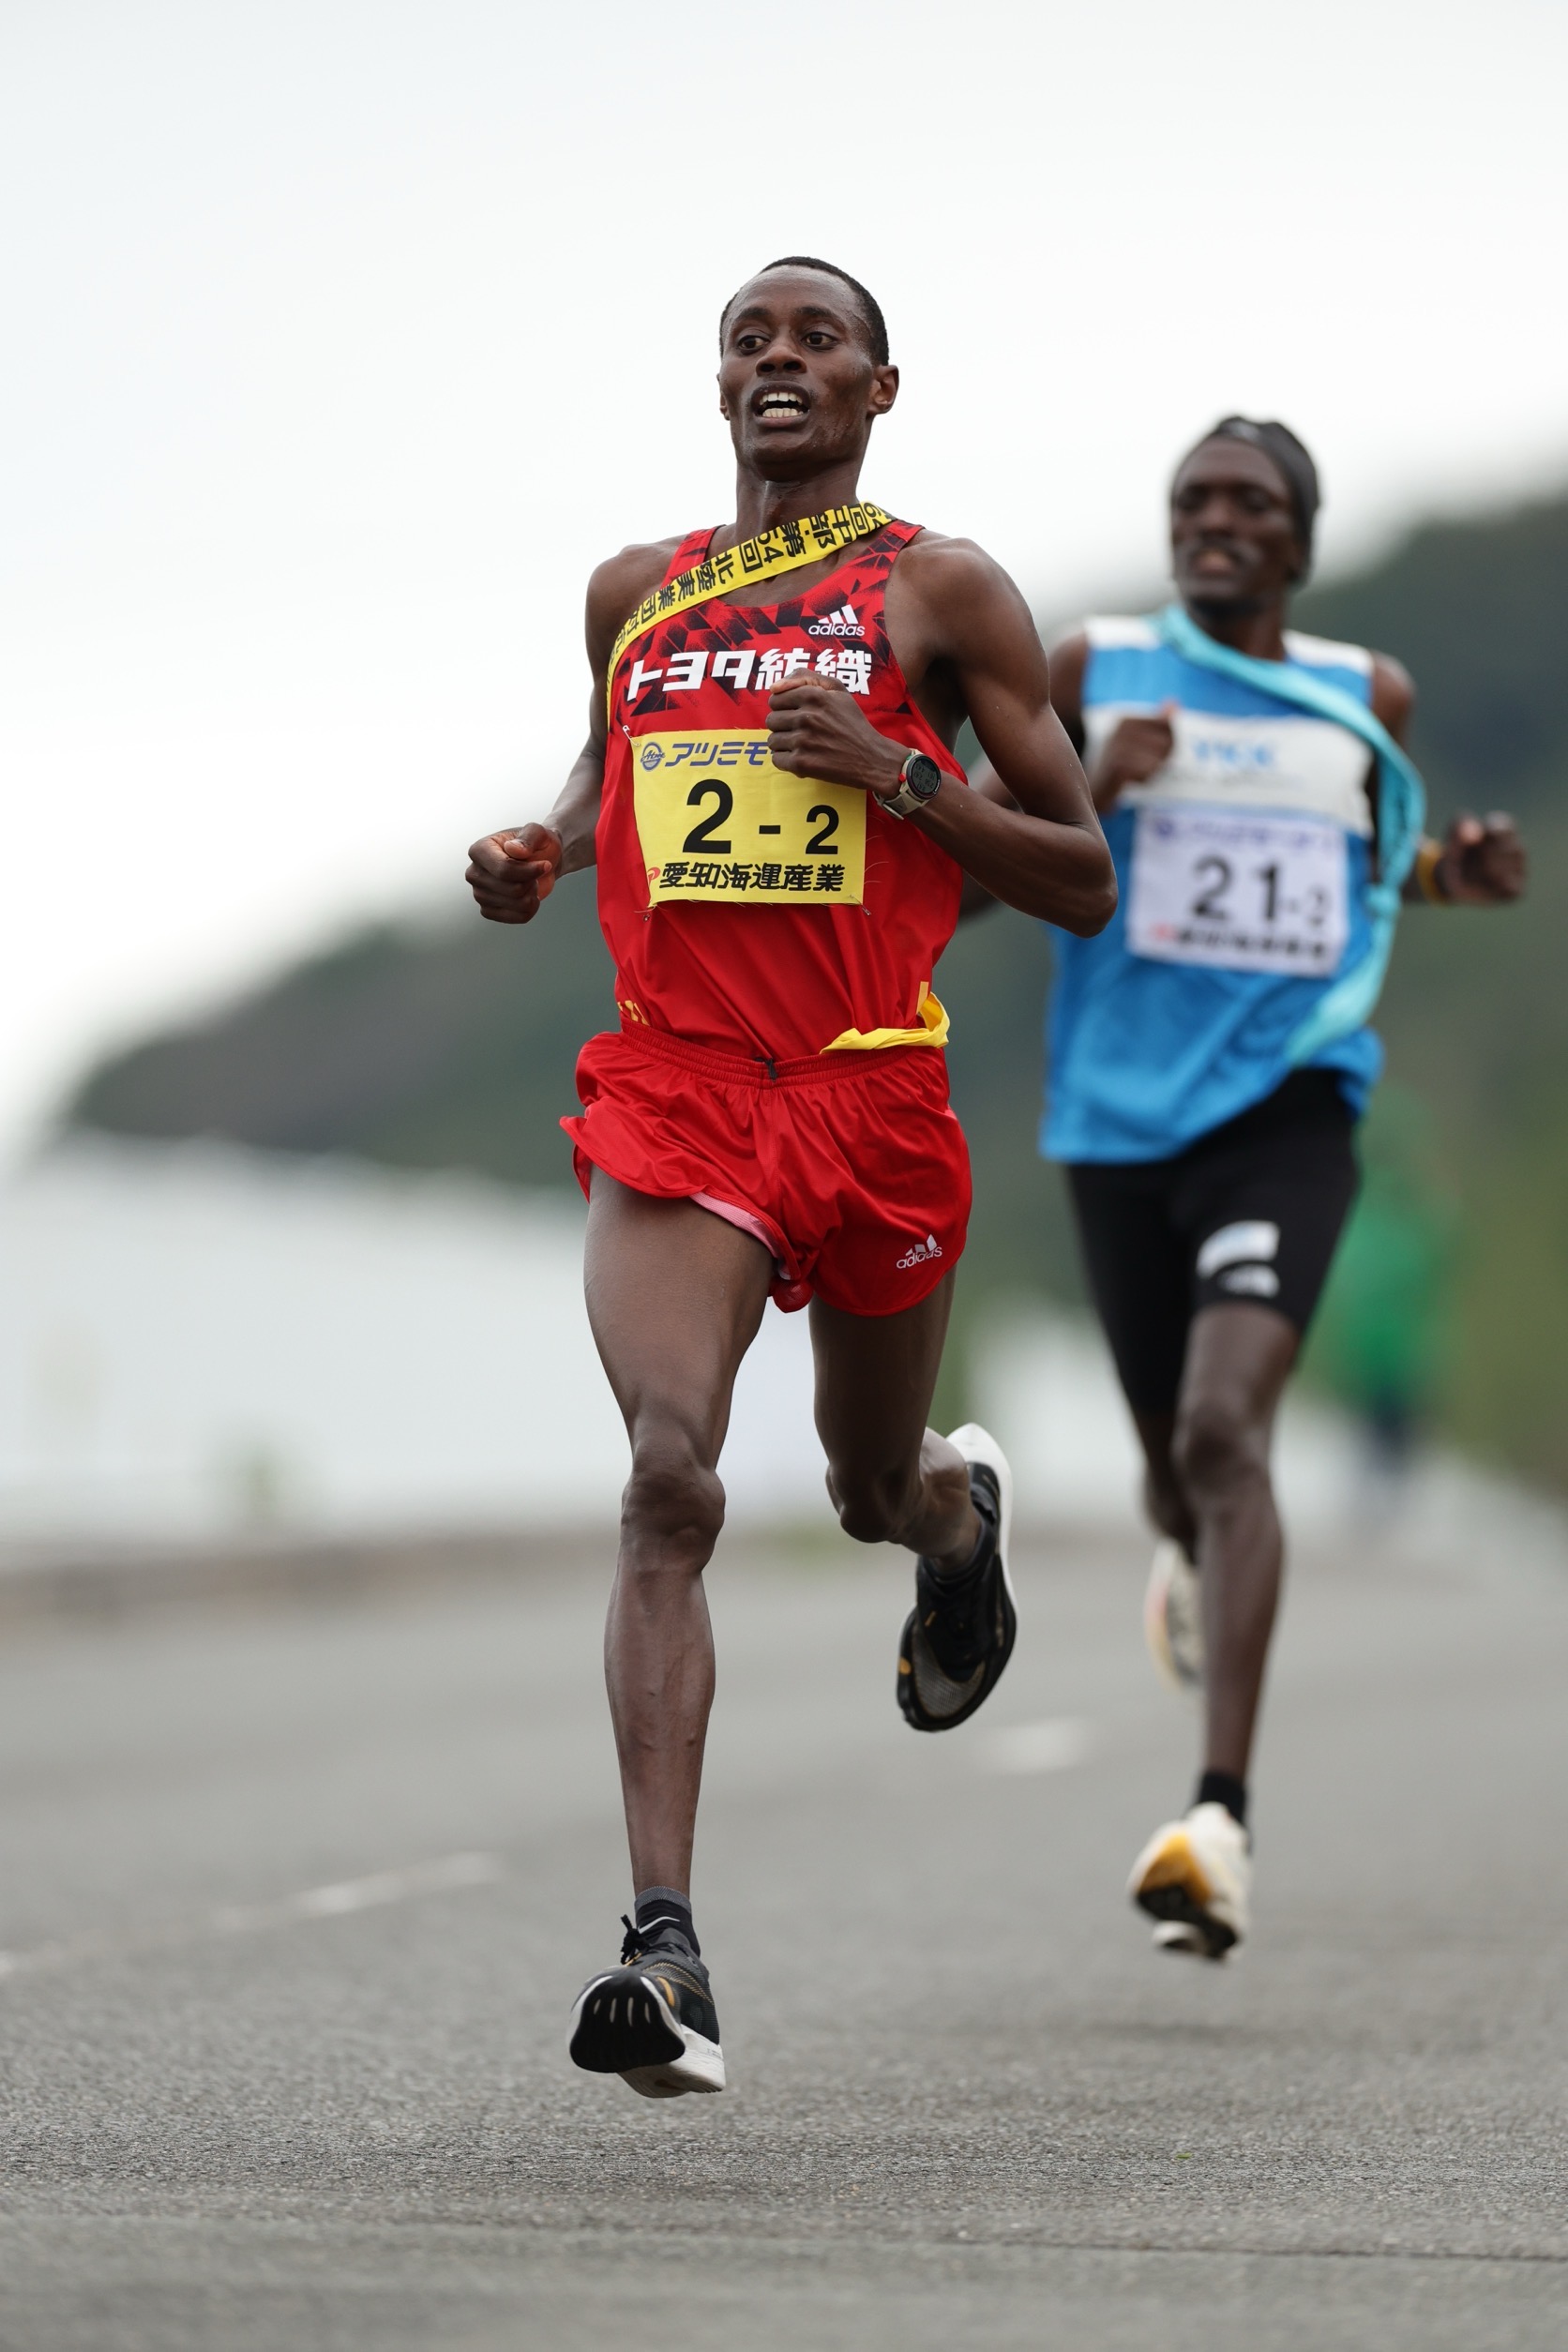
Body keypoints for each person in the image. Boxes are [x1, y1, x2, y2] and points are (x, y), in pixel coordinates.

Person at [465, 258, 1115, 2096]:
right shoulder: (635, 592)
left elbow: (1077, 873)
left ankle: (949, 1521)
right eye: (747, 336)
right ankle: (661, 1957)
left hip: (868, 1096)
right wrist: (539, 847)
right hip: (673, 1090)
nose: (776, 359)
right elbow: (613, 776)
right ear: (718, 381)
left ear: (877, 388)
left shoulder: (938, 587)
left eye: (812, 337)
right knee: (668, 1482)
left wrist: (899, 786)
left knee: (852, 1483)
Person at [988, 417, 1525, 1961]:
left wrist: (1453, 873)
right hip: (1115, 1121)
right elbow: (991, 851)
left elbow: (1370, 860)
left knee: (1231, 1429)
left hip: (1291, 1101)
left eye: (1250, 506)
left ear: (1300, 540)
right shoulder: (1092, 668)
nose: (1215, 524)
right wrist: (1092, 781)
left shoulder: (1365, 698)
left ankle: (1217, 1819)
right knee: (1179, 1469)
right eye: (1191, 503)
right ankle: (1191, 1545)